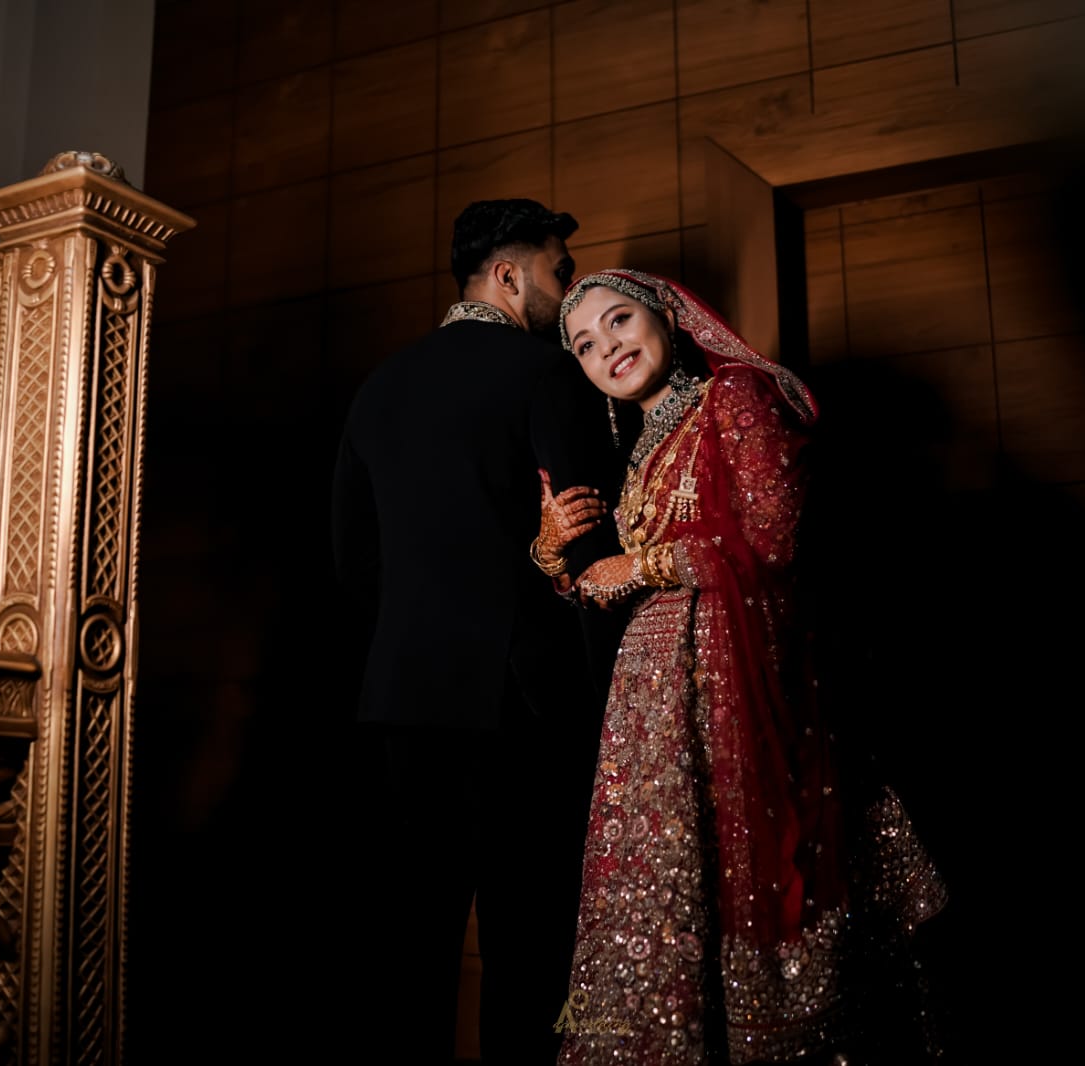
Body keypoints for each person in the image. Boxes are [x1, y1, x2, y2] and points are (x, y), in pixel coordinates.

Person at [534, 269, 947, 1065]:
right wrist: (554, 557)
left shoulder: (736, 400)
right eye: (585, 344)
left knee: (751, 898)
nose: (605, 348)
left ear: (666, 315)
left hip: (740, 700)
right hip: (655, 721)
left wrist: (640, 564)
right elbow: (618, 583)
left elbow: (774, 541)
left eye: (618, 321)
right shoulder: (641, 448)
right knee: (669, 907)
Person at [331, 199, 624, 1065]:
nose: (566, 292)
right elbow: (589, 545)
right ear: (509, 274)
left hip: (403, 706)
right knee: (528, 950)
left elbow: (352, 563)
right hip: (519, 704)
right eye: (559, 271)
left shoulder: (378, 387)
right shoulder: (545, 374)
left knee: (411, 947)